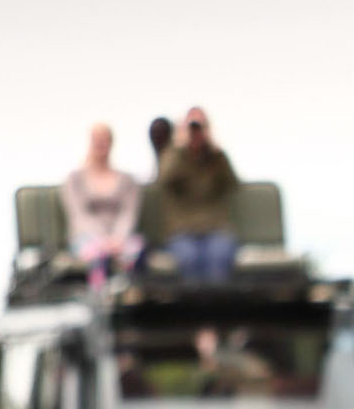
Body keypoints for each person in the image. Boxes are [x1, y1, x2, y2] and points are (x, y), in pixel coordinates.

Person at [156, 105, 240, 283]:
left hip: (215, 228)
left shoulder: (216, 158)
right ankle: (192, 309)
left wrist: (217, 151)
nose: (195, 132)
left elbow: (233, 184)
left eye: (200, 127)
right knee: (189, 257)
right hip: (182, 231)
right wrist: (180, 146)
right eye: (191, 127)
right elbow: (164, 179)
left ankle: (216, 308)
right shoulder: (173, 155)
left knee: (219, 254)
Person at [58, 123, 142, 287]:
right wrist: (103, 240)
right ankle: (100, 296)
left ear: (111, 143)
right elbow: (78, 215)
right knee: (98, 254)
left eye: (105, 139)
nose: (101, 144)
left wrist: (117, 238)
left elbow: (129, 213)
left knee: (136, 252)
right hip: (87, 237)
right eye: (97, 139)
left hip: (120, 238)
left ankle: (133, 297)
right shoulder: (74, 179)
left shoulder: (127, 180)